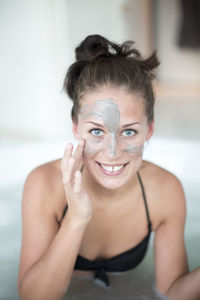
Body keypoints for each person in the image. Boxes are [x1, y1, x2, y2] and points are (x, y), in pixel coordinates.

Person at [17, 34, 200, 300]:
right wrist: (76, 218)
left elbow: (171, 294)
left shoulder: (165, 190)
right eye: (96, 131)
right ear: (75, 128)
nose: (112, 152)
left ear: (148, 129)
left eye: (128, 132)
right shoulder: (43, 184)